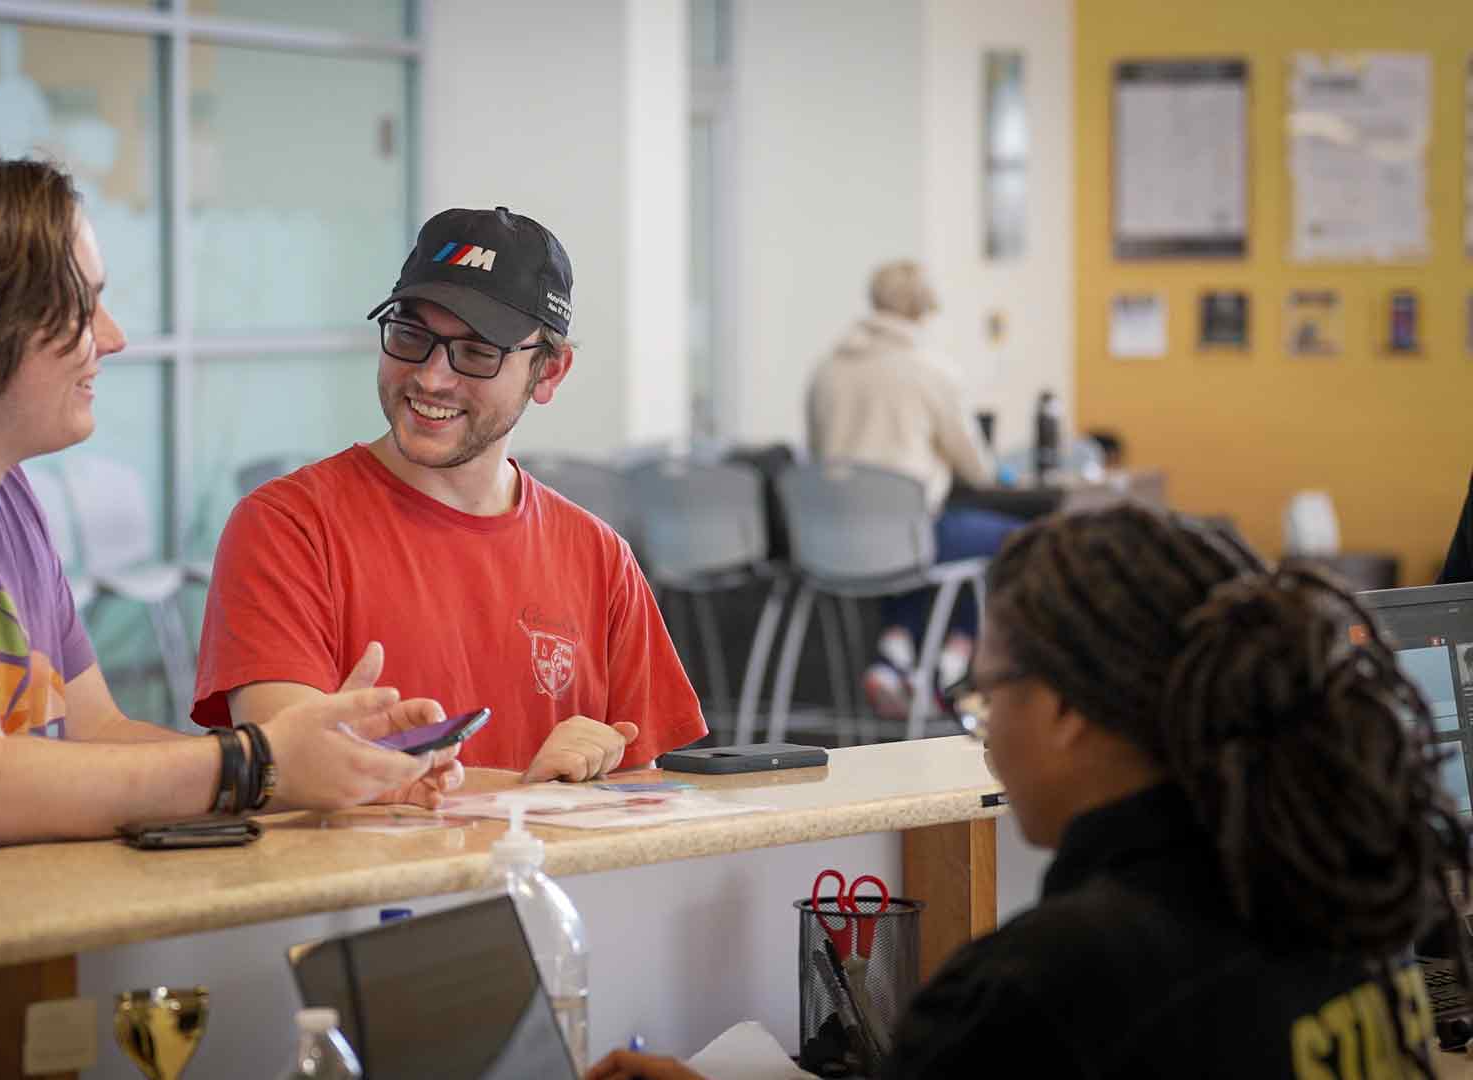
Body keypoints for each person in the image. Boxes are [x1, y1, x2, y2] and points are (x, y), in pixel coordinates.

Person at [587, 503, 1470, 1079]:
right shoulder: (1350, 897)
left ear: (1064, 711)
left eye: (986, 695)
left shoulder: (1042, 988)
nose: (984, 729)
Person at [0, 149, 458, 861]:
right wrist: (258, 764)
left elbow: (97, 735)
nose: (113, 338)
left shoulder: (5, 493)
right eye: (81, 307)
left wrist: (323, 774)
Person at [191, 207, 705, 781]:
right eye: (411, 336)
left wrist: (562, 794)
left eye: (478, 352)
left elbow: (640, 792)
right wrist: (526, 793)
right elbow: (282, 769)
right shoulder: (287, 528)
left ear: (549, 373)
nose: (431, 377)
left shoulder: (599, 557)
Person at [804, 259, 1020, 720]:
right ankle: (956, 656)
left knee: (919, 542)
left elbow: (820, 454)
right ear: (926, 308)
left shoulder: (827, 370)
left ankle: (896, 651)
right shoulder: (930, 369)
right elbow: (978, 469)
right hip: (907, 538)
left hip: (833, 542)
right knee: (1009, 538)